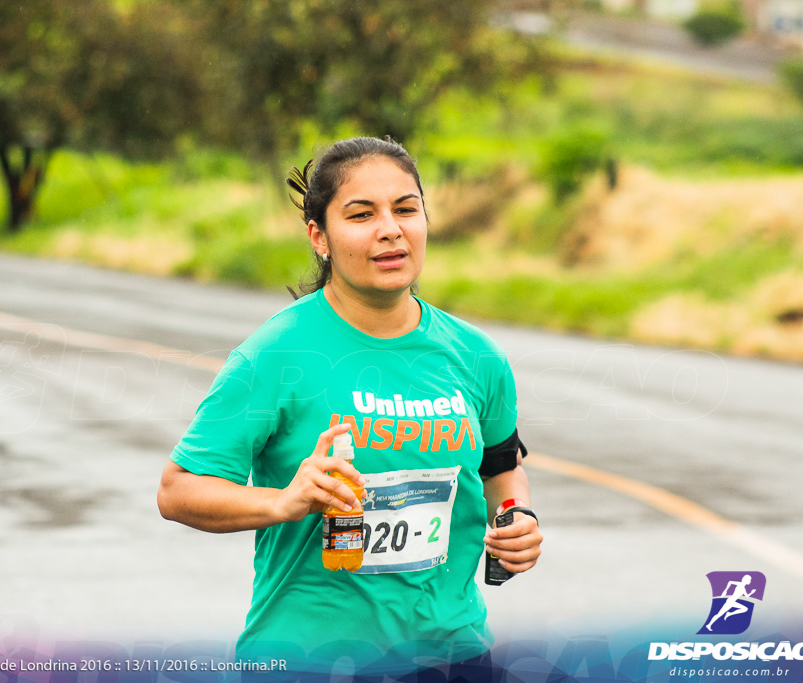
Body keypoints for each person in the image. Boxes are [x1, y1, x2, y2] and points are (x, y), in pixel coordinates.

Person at [156, 136, 542, 677]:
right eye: (361, 215)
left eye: (406, 209)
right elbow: (178, 491)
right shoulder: (276, 355)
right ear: (320, 237)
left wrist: (515, 517)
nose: (391, 229)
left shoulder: (477, 356)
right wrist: (283, 502)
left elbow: (501, 466)